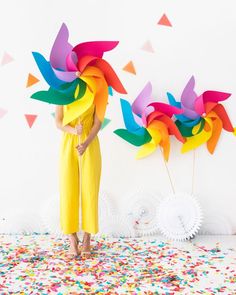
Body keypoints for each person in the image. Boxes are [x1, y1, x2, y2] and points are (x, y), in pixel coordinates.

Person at [55, 71, 102, 259]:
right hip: (69, 143)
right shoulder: (62, 91)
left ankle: (87, 238)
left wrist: (86, 142)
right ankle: (72, 238)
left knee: (90, 190)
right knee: (68, 189)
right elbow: (58, 122)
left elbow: (98, 123)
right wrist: (74, 130)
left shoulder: (97, 92)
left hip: (90, 144)